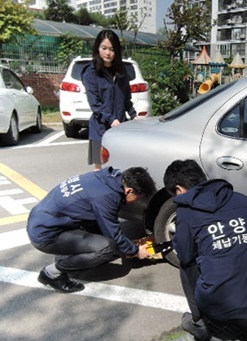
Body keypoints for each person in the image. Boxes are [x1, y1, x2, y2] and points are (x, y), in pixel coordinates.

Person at [163, 159, 247, 341]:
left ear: (179, 189)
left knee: (186, 265)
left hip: (220, 309)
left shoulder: (187, 212)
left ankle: (199, 325)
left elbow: (185, 254)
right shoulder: (245, 201)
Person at [27, 167, 156, 293]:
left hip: (43, 220)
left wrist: (124, 247)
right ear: (130, 191)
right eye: (140, 197)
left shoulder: (106, 178)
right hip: (46, 235)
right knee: (105, 248)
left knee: (107, 236)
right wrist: (135, 251)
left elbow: (101, 222)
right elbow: (113, 234)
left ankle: (76, 254)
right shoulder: (107, 196)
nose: (138, 201)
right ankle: (51, 273)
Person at [82, 30, 136, 171]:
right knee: (98, 168)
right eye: (104, 48)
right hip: (100, 128)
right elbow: (95, 104)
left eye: (112, 49)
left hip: (120, 126)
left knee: (120, 166)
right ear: (97, 48)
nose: (108, 53)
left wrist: (134, 115)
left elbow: (126, 97)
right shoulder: (91, 72)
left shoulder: (121, 71)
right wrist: (111, 119)